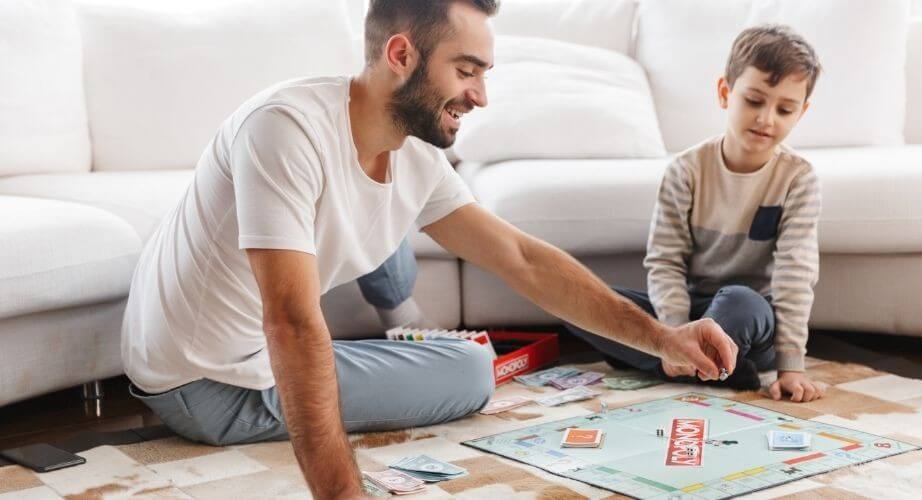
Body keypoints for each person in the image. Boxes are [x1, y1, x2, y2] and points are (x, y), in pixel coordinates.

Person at [120, 1, 738, 498]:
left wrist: (665, 338)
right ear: (400, 54)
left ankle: (390, 331)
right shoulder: (284, 128)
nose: (480, 96)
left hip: (234, 339)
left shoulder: (412, 153)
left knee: (406, 254)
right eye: (466, 71)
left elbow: (519, 259)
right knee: (470, 369)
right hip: (199, 384)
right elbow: (289, 320)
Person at [565, 24, 826, 403]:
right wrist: (675, 335)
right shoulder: (685, 170)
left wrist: (791, 366)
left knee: (741, 301)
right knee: (581, 299)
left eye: (784, 109)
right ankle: (706, 369)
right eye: (754, 101)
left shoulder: (798, 178)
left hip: (749, 321)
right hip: (689, 312)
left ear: (800, 113)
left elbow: (794, 276)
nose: (767, 119)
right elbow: (666, 261)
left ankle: (684, 367)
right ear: (725, 93)